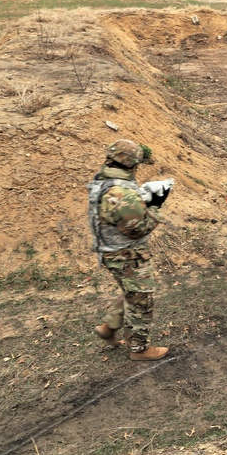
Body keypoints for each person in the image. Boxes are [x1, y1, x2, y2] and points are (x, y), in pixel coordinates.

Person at [88, 139, 173, 361]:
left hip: (112, 252)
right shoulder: (120, 192)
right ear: (133, 164)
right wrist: (155, 206)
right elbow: (135, 230)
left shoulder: (104, 181)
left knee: (132, 293)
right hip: (126, 255)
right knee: (142, 300)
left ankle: (109, 327)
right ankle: (139, 349)